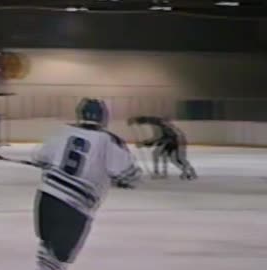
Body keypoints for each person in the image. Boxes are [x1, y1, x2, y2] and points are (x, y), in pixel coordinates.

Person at [32, 98, 141, 270]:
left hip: (47, 198)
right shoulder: (108, 140)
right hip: (76, 206)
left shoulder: (64, 131)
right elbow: (129, 174)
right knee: (58, 258)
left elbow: (39, 157)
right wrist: (125, 179)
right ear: (103, 117)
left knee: (47, 250)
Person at [128, 116, 197, 180]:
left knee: (160, 154)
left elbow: (157, 138)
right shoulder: (162, 125)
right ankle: (189, 171)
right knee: (174, 158)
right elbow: (159, 138)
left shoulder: (158, 125)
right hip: (175, 141)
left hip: (174, 141)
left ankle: (159, 172)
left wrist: (143, 143)